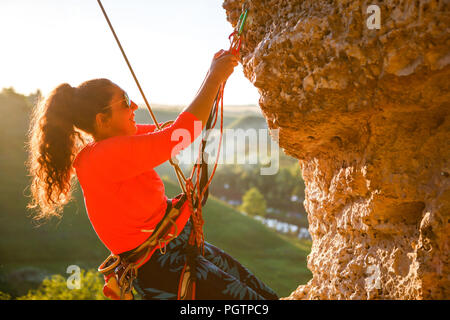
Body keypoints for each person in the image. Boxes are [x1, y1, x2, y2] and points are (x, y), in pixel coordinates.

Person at [26, 49, 279, 300]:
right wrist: (213, 77)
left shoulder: (116, 142)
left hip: (175, 251)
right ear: (103, 120)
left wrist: (212, 76)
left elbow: (171, 130)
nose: (134, 105)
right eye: (124, 101)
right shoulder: (102, 157)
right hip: (165, 266)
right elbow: (181, 133)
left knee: (263, 297)